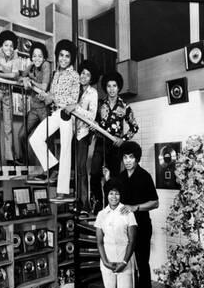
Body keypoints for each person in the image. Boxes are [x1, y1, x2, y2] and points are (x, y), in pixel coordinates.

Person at [29, 39, 80, 202]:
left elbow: (74, 100)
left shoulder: (74, 75)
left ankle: (62, 191)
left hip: (67, 114)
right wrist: (45, 97)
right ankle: (53, 167)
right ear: (57, 56)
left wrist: (66, 104)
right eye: (61, 55)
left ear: (71, 59)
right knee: (35, 139)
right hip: (54, 113)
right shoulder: (55, 74)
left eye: (67, 56)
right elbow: (50, 98)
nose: (64, 59)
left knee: (65, 151)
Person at [116, 141, 159, 288]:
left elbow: (155, 202)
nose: (127, 161)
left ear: (137, 158)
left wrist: (136, 207)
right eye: (125, 157)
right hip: (125, 229)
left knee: (142, 266)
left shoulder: (145, 176)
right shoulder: (121, 177)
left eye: (131, 157)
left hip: (142, 227)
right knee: (126, 267)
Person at [95, 180, 138, 288]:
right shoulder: (101, 214)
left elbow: (132, 240)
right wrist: (105, 262)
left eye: (117, 193)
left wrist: (124, 261)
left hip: (125, 262)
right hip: (107, 263)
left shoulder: (127, 213)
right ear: (107, 194)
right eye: (111, 193)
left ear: (121, 195)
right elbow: (99, 241)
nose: (114, 196)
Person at [90, 71, 138, 213]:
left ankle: (112, 209)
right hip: (100, 142)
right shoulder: (100, 105)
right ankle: (98, 203)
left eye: (114, 86)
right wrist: (93, 127)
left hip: (115, 147)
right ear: (106, 87)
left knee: (113, 180)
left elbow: (134, 127)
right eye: (109, 86)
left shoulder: (124, 106)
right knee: (94, 173)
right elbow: (94, 123)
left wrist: (122, 140)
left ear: (118, 88)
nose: (111, 89)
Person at [63, 59, 99, 215]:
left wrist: (76, 108)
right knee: (69, 168)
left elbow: (92, 116)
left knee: (81, 169)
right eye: (83, 73)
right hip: (68, 131)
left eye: (88, 75)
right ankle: (72, 202)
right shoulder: (74, 88)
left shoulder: (93, 93)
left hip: (82, 134)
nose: (84, 76)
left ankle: (84, 204)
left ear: (91, 79)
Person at [16, 42, 51, 166]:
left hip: (44, 109)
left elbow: (44, 87)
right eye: (35, 56)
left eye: (40, 56)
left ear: (44, 57)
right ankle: (24, 161)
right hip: (34, 109)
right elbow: (19, 78)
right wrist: (24, 79)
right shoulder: (31, 66)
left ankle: (49, 169)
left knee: (46, 138)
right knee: (21, 135)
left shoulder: (46, 65)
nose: (37, 58)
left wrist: (31, 81)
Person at [0, 30, 20, 166]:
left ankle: (9, 158)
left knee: (8, 127)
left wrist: (0, 74)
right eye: (6, 45)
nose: (9, 48)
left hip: (8, 92)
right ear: (2, 45)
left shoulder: (16, 55)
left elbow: (15, 75)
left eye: (11, 46)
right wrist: (6, 74)